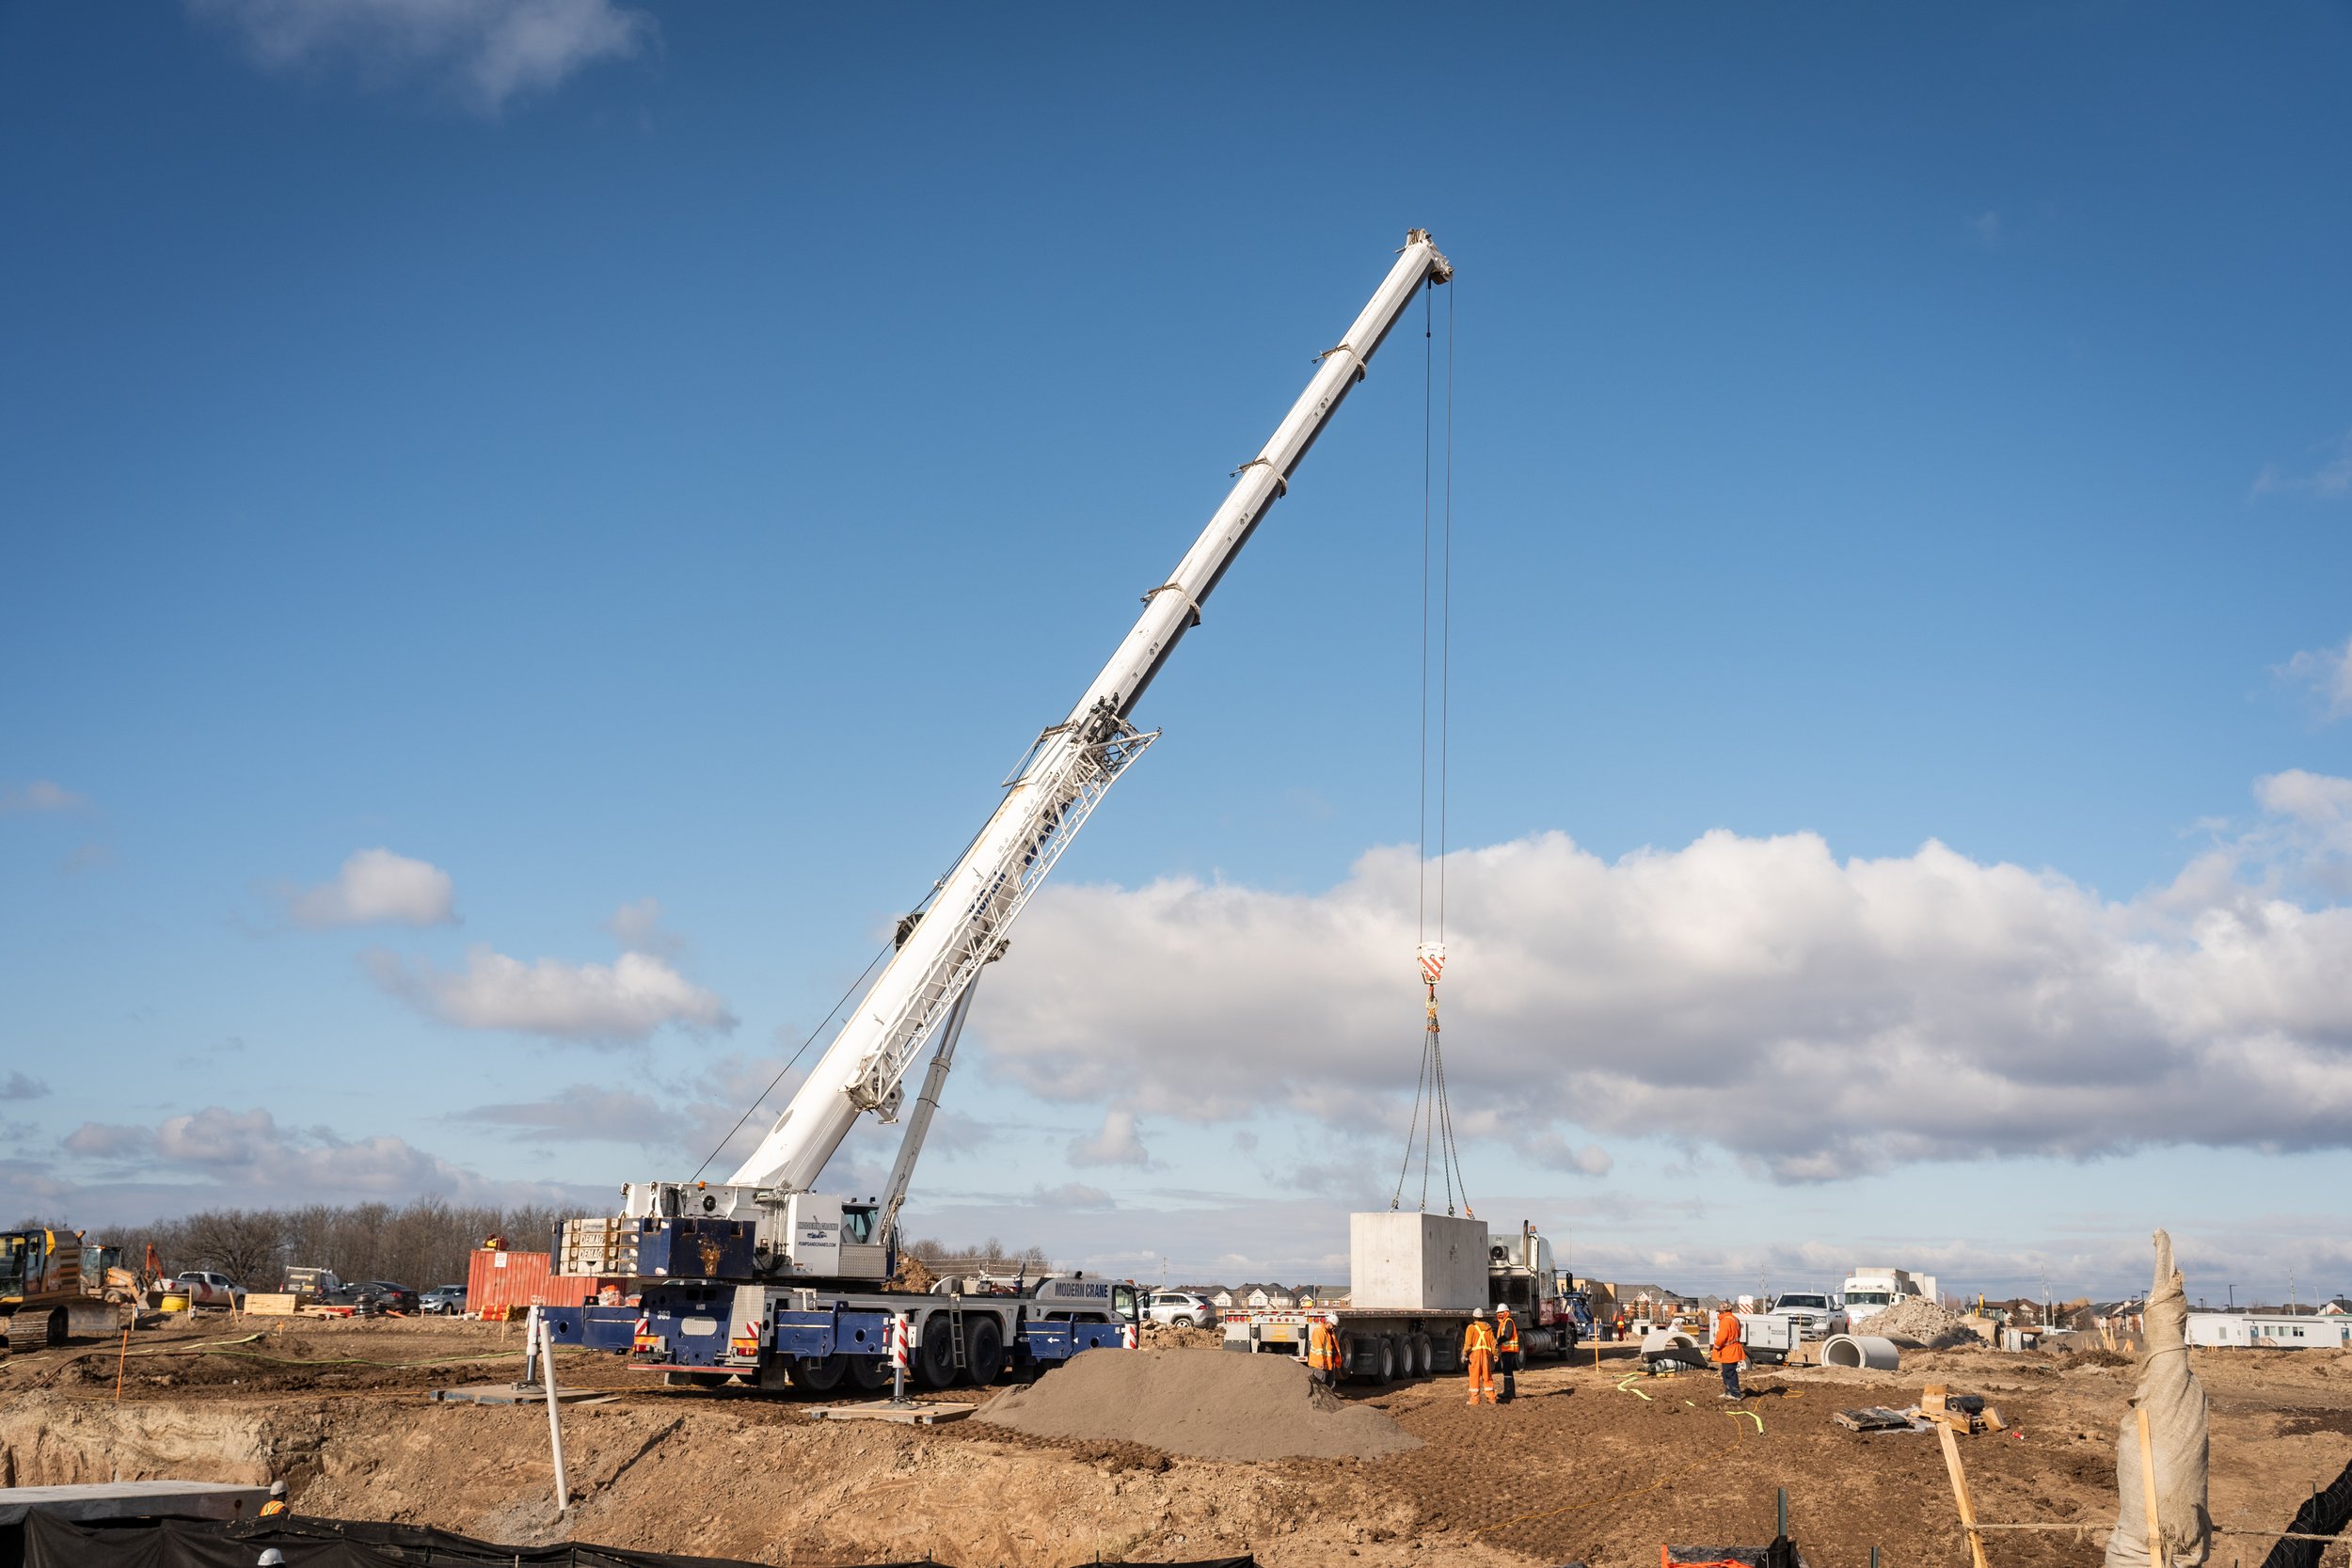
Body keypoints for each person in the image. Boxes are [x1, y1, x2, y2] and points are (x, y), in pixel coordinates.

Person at [1461, 1307, 1498, 1406]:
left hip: (1475, 1356)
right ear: (1482, 1317)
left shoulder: (1471, 1328)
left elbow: (1468, 1344)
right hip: (1486, 1355)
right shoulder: (1488, 1328)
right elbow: (1493, 1342)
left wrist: (1464, 1354)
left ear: (1474, 1317)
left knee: (1474, 1377)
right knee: (1487, 1376)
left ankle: (1474, 1400)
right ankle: (1492, 1398)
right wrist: (1495, 1354)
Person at [1711, 1303, 1746, 1400]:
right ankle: (1729, 1392)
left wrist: (1717, 1346)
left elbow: (1721, 1337)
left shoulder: (1725, 1321)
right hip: (1733, 1349)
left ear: (1722, 1311)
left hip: (1729, 1351)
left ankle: (1735, 1394)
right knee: (1728, 1372)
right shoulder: (1734, 1319)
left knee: (1729, 1373)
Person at [1493, 1304, 1522, 1403]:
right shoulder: (1504, 1322)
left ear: (1505, 1312)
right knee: (1507, 1371)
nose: (1499, 1314)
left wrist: (1498, 1341)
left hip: (1509, 1350)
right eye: (1498, 1313)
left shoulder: (1508, 1321)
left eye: (1501, 1312)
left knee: (1507, 1371)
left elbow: (1507, 1335)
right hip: (1507, 1350)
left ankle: (1508, 1391)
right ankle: (1510, 1392)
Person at [1305, 1314, 1340, 1387]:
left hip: (1326, 1364)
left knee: (1329, 1385)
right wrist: (1321, 1362)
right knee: (1319, 1386)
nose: (1334, 1328)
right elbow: (1319, 1349)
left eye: (1335, 1327)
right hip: (1318, 1365)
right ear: (1328, 1322)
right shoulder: (1319, 1331)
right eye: (1333, 1326)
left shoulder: (1329, 1332)